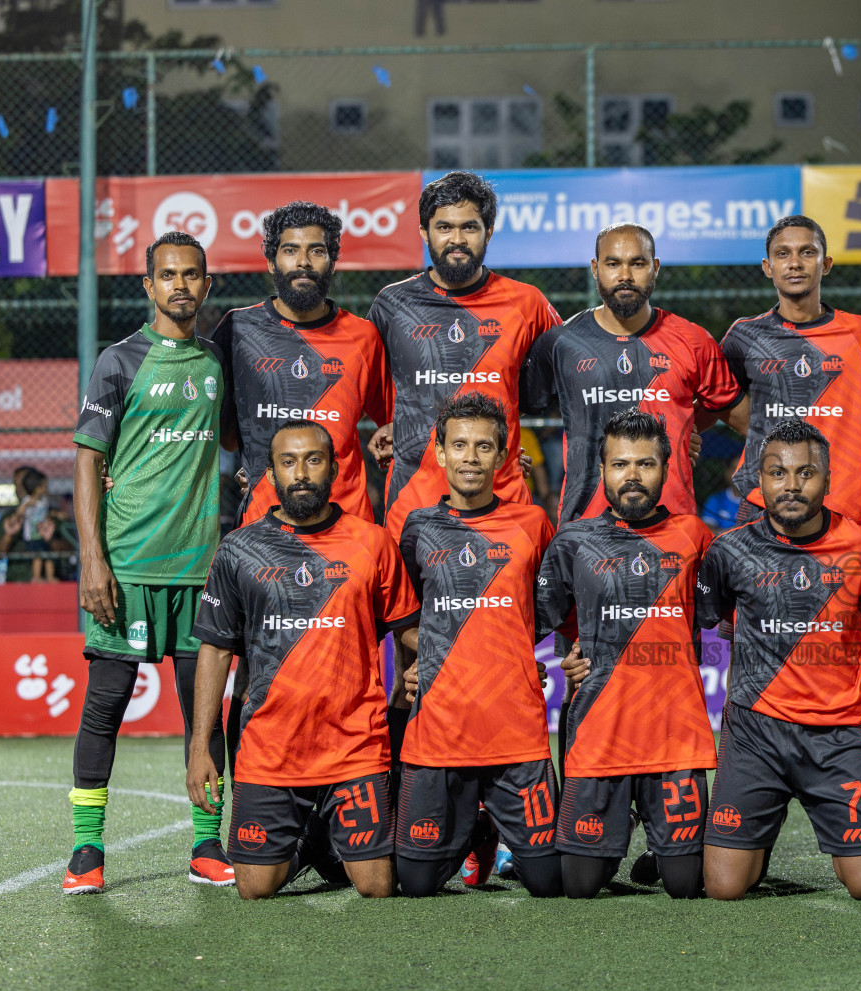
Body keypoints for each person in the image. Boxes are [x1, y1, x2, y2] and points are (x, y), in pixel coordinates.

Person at [63, 232, 238, 895]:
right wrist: (92, 560)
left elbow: (230, 435)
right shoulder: (119, 360)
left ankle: (205, 841)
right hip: (128, 567)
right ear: (148, 286)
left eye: (192, 275)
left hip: (200, 572)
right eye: (168, 275)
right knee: (104, 706)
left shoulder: (217, 363)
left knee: (204, 719)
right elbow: (87, 459)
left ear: (206, 284)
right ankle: (86, 849)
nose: (181, 286)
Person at [186, 420, 420, 900]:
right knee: (254, 889)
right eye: (288, 462)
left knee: (377, 886)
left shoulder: (372, 542)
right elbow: (214, 649)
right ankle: (313, 843)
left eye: (313, 460)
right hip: (271, 746)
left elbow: (410, 630)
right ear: (270, 475)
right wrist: (199, 747)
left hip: (354, 742)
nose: (301, 474)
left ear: (334, 468)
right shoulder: (238, 549)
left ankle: (321, 835)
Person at [695, 420, 861, 900]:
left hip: (838, 734)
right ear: (759, 481)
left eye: (806, 474)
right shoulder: (729, 551)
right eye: (777, 473)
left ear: (828, 482)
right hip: (755, 732)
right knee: (723, 889)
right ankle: (755, 844)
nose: (791, 486)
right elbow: (701, 619)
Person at [535, 410, 717, 899]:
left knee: (688, 885)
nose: (632, 476)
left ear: (666, 469)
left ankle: (661, 853)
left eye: (645, 464)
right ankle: (621, 827)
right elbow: (543, 617)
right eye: (619, 464)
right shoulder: (574, 540)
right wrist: (563, 653)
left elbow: (716, 616)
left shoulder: (696, 537)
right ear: (602, 472)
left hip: (674, 731)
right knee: (579, 886)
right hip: (600, 728)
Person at [392, 392, 564, 898]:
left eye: (484, 447)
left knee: (550, 882)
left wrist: (510, 651)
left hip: (516, 732)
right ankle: (475, 831)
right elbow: (404, 616)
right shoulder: (418, 527)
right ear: (440, 453)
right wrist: (431, 656)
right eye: (460, 446)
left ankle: (489, 828)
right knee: (416, 883)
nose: (471, 457)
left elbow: (545, 609)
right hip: (439, 730)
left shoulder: (533, 525)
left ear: (502, 456)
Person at [367, 170, 562, 544]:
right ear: (425, 232)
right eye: (444, 227)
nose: (456, 240)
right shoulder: (392, 304)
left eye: (470, 227)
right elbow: (363, 384)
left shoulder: (527, 303)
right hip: (412, 503)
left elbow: (571, 373)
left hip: (503, 499)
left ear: (489, 232)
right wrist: (390, 423)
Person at [523, 223, 743, 525]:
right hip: (586, 524)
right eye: (613, 263)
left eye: (637, 263)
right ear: (595, 268)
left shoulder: (693, 341)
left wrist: (684, 430)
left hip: (673, 526)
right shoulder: (560, 343)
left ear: (654, 268)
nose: (625, 275)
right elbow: (514, 408)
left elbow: (742, 416)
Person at [720, 215, 861, 527]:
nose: (794, 263)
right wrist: (761, 433)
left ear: (826, 263)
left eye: (807, 252)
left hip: (841, 504)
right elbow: (717, 399)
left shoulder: (859, 333)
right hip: (764, 503)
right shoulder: (744, 336)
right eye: (783, 254)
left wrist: (848, 458)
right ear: (768, 267)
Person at [214, 201, 391, 524]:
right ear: (271, 261)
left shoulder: (363, 337)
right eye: (291, 250)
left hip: (349, 527)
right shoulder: (237, 329)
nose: (304, 262)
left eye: (317, 251)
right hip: (263, 525)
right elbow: (227, 438)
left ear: (333, 261)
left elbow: (390, 422)